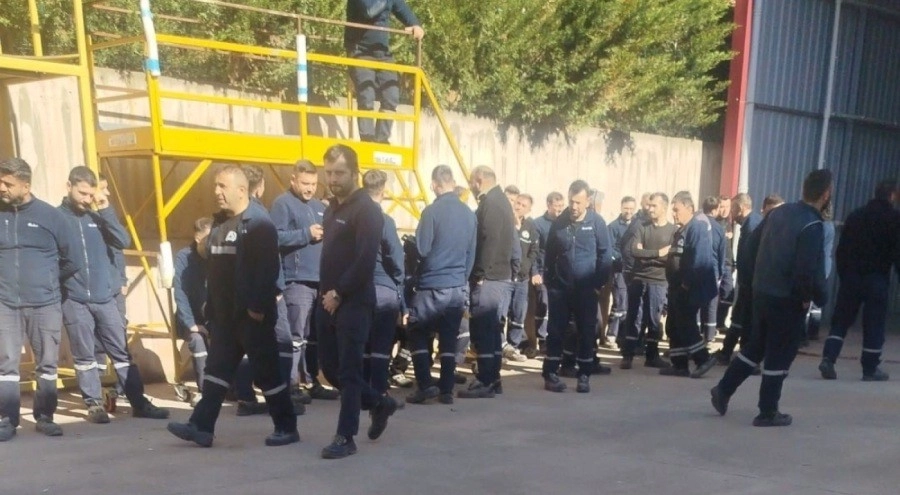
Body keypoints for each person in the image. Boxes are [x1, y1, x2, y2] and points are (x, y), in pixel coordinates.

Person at [167, 165, 298, 448]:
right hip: (225, 318)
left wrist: (257, 308)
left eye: (222, 186)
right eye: (215, 186)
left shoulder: (259, 223)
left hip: (251, 317)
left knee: (268, 375)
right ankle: (201, 427)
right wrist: (211, 310)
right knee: (216, 372)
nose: (216, 192)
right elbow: (215, 271)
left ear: (241, 190)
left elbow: (269, 269)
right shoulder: (219, 225)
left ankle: (287, 427)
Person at [711, 169, 832, 427]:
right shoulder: (812, 225)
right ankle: (767, 411)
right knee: (780, 352)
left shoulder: (779, 213)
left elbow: (750, 247)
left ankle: (723, 389)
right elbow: (808, 268)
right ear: (825, 194)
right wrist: (812, 297)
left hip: (762, 292)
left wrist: (752, 282)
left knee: (756, 346)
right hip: (787, 299)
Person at [59, 166, 169, 424]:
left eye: (91, 194)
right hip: (75, 300)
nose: (87, 199)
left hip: (106, 298)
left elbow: (122, 240)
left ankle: (139, 403)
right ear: (69, 186)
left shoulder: (98, 217)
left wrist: (105, 209)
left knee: (121, 352)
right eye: (82, 193)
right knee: (85, 356)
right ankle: (94, 404)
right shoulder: (56, 218)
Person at [316, 144, 398, 459]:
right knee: (330, 368)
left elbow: (365, 260)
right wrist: (327, 295)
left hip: (354, 301)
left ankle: (345, 436)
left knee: (350, 371)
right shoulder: (331, 209)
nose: (333, 179)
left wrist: (340, 293)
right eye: (329, 173)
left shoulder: (367, 210)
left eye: (339, 173)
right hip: (328, 301)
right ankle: (380, 402)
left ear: (355, 173)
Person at [0, 158, 82, 441]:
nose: (1, 188)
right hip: (5, 303)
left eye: (7, 183)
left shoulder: (51, 216)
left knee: (47, 364)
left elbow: (73, 259)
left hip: (45, 303)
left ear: (26, 185)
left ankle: (45, 416)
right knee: (6, 364)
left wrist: (47, 282)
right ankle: (7, 420)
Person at [270, 160, 340, 401]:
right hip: (297, 280)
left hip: (320, 281)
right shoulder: (282, 204)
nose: (310, 188)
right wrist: (305, 234)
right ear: (293, 180)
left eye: (313, 184)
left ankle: (312, 382)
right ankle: (291, 385)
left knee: (314, 337)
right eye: (305, 183)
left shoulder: (320, 206)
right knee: (296, 336)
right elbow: (274, 238)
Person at [406, 165, 476, 405]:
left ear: (435, 185)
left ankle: (425, 384)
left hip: (432, 284)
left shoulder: (431, 212)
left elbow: (422, 248)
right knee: (449, 336)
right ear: (453, 183)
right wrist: (461, 280)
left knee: (416, 330)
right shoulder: (469, 214)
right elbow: (471, 254)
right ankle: (446, 390)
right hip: (457, 286)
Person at [819, 179, 900, 381]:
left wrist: (845, 275)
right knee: (874, 324)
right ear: (892, 196)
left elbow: (842, 250)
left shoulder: (856, 215)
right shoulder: (894, 219)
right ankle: (870, 369)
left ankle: (828, 358)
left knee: (841, 321)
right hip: (877, 279)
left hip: (851, 278)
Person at [541, 180, 613, 393]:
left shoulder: (597, 223)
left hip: (586, 290)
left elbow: (605, 256)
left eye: (578, 202)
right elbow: (549, 254)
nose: (573, 206)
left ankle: (584, 375)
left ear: (587, 201)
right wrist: (551, 283)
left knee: (587, 332)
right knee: (555, 332)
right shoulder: (559, 223)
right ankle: (551, 374)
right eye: (571, 201)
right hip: (560, 291)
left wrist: (597, 284)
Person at [461, 165, 519, 399]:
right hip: (497, 276)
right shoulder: (498, 200)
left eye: (471, 182)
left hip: (491, 277)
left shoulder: (492, 203)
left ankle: (486, 379)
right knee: (491, 330)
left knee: (484, 329)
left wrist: (480, 273)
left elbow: (490, 240)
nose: (470, 187)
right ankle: (492, 378)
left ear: (479, 180)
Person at [344, 0, 424, 144]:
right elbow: (369, 11)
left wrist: (415, 24)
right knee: (366, 95)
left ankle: (381, 140)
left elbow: (401, 8)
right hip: (360, 51)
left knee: (391, 96)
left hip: (382, 53)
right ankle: (367, 141)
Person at [661, 191, 718, 378]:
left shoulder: (697, 228)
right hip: (676, 287)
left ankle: (703, 359)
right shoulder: (681, 230)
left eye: (677, 210)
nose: (674, 214)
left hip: (688, 288)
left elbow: (699, 260)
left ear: (689, 208)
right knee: (674, 325)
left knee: (686, 324)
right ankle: (679, 365)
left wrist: (686, 284)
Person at [361, 170, 405, 397]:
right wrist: (399, 281)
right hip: (383, 287)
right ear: (384, 191)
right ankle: (378, 391)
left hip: (358, 288)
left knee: (363, 342)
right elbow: (396, 256)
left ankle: (362, 388)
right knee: (381, 344)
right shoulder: (384, 220)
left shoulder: (353, 219)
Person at [619, 192, 674, 370]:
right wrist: (658, 253)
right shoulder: (641, 226)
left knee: (654, 319)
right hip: (638, 278)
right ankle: (627, 355)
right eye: (649, 205)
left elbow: (670, 258)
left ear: (664, 207)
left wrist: (647, 255)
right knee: (633, 316)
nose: (650, 209)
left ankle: (652, 355)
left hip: (658, 280)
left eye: (654, 206)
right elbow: (635, 252)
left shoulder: (672, 231)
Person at [715, 193, 763, 364]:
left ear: (740, 208)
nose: (731, 213)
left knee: (746, 320)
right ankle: (727, 352)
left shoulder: (753, 225)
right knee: (738, 319)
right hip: (746, 282)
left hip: (751, 283)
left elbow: (753, 257)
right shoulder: (748, 224)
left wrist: (749, 281)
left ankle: (745, 357)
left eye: (733, 209)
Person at [173, 217, 213, 407]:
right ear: (198, 238)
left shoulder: (218, 255)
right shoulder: (184, 257)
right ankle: (205, 391)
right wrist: (191, 324)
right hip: (191, 319)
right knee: (198, 340)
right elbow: (180, 293)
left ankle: (239, 390)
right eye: (208, 238)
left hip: (213, 317)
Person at [503, 193, 538, 362]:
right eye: (517, 203)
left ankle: (514, 346)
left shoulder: (531, 227)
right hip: (506, 277)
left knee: (518, 314)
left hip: (522, 279)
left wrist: (527, 267)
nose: (519, 207)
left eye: (523, 205)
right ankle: (500, 347)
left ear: (529, 209)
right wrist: (515, 228)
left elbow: (534, 251)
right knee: (501, 313)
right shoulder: (505, 222)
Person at [531, 192, 566, 352]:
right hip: (543, 271)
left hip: (560, 272)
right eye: (556, 206)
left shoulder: (565, 223)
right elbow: (534, 251)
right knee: (544, 304)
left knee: (558, 306)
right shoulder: (538, 224)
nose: (559, 209)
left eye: (561, 206)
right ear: (548, 205)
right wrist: (535, 272)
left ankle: (557, 337)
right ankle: (543, 338)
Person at [606, 196, 637, 345]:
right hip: (619, 270)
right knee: (620, 301)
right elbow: (609, 248)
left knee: (629, 303)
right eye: (626, 208)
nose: (628, 211)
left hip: (634, 270)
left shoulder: (638, 225)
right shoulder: (613, 227)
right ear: (621, 208)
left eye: (631, 209)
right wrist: (621, 258)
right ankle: (612, 333)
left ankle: (623, 334)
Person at [698, 196, 727, 344]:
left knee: (697, 305)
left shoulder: (696, 224)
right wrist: (720, 273)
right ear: (715, 210)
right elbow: (722, 253)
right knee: (711, 305)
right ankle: (709, 336)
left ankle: (695, 335)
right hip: (713, 271)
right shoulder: (719, 228)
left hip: (698, 270)